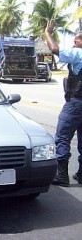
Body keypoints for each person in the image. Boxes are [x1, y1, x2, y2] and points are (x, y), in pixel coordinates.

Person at [45, 20, 82, 186]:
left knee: (62, 136)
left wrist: (48, 33)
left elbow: (54, 49)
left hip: (76, 103)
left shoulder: (79, 54)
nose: (74, 43)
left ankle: (62, 175)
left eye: (77, 40)